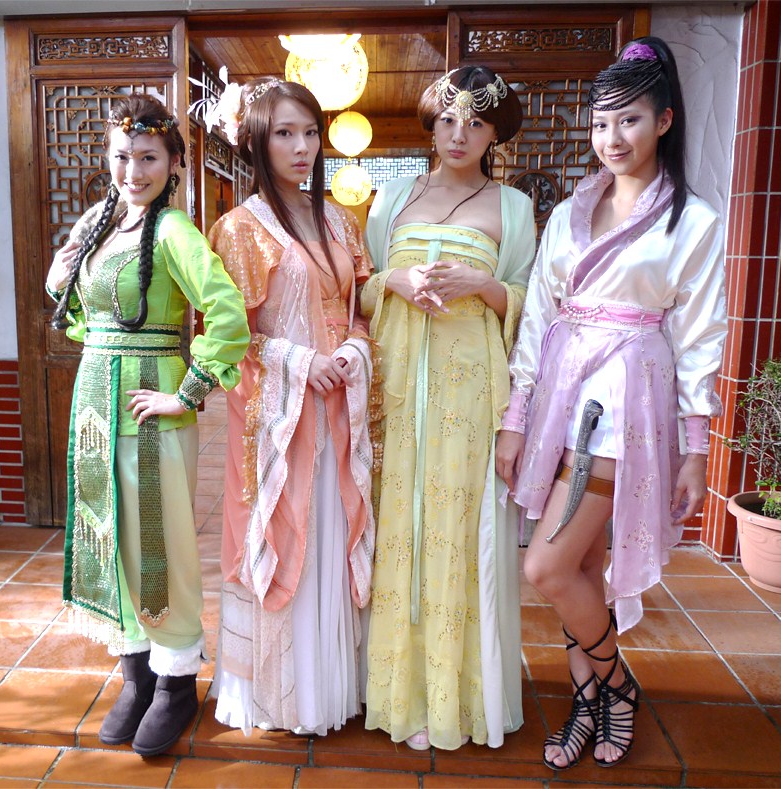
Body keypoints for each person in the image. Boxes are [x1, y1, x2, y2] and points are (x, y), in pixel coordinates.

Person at [494, 37, 727, 769]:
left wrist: (697, 447)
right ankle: (588, 699)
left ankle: (618, 687)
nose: (611, 138)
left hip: (627, 398)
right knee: (582, 566)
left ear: (663, 120)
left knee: (547, 567)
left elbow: (700, 337)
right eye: (600, 123)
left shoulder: (694, 222)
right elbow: (538, 314)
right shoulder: (571, 211)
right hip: (562, 391)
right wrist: (516, 418)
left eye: (628, 120)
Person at [46, 94, 250, 756]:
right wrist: (62, 278)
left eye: (148, 158)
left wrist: (187, 393)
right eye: (121, 157)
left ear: (172, 163)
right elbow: (81, 314)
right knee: (111, 537)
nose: (133, 171)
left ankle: (175, 680)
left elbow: (227, 313)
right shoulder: (100, 223)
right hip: (95, 407)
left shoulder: (174, 232)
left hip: (149, 408)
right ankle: (135, 672)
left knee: (160, 547)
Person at [362, 66, 536, 751]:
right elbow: (359, 289)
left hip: (470, 394)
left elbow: (532, 307)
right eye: (447, 120)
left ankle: (457, 696)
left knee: (463, 529)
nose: (459, 134)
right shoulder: (392, 199)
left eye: (476, 122)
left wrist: (483, 285)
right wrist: (395, 280)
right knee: (395, 521)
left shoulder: (512, 208)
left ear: (495, 134)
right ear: (431, 126)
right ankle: (396, 691)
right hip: (398, 387)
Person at [206, 78, 377, 736]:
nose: (302, 146)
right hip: (279, 418)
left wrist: (353, 351)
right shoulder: (239, 228)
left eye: (310, 132)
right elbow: (231, 337)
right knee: (284, 530)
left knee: (331, 531)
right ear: (257, 141)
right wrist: (300, 362)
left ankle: (332, 686)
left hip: (337, 409)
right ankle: (281, 695)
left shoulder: (340, 220)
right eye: (284, 133)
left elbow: (362, 311)